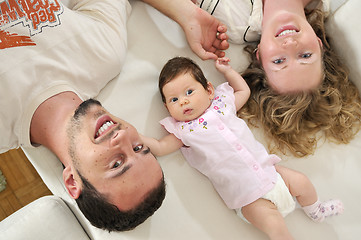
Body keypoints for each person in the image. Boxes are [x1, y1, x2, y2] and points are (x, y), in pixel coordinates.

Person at [1, 0, 229, 231]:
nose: (123, 138)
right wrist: (184, 12)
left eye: (117, 163)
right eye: (139, 148)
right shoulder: (103, 54)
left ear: (72, 181)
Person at [141, 56, 344, 239]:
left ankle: (316, 210)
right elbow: (159, 147)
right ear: (168, 108)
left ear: (209, 90)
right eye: (174, 100)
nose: (183, 101)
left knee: (302, 181)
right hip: (247, 197)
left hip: (271, 172)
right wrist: (135, 136)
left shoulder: (222, 104)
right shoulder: (184, 131)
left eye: (189, 92)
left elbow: (243, 90)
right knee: (276, 226)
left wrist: (227, 71)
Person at [192, 0, 361, 157]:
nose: (289, 44)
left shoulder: (233, 22)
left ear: (259, 55)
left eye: (279, 61)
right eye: (305, 55)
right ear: (319, 43)